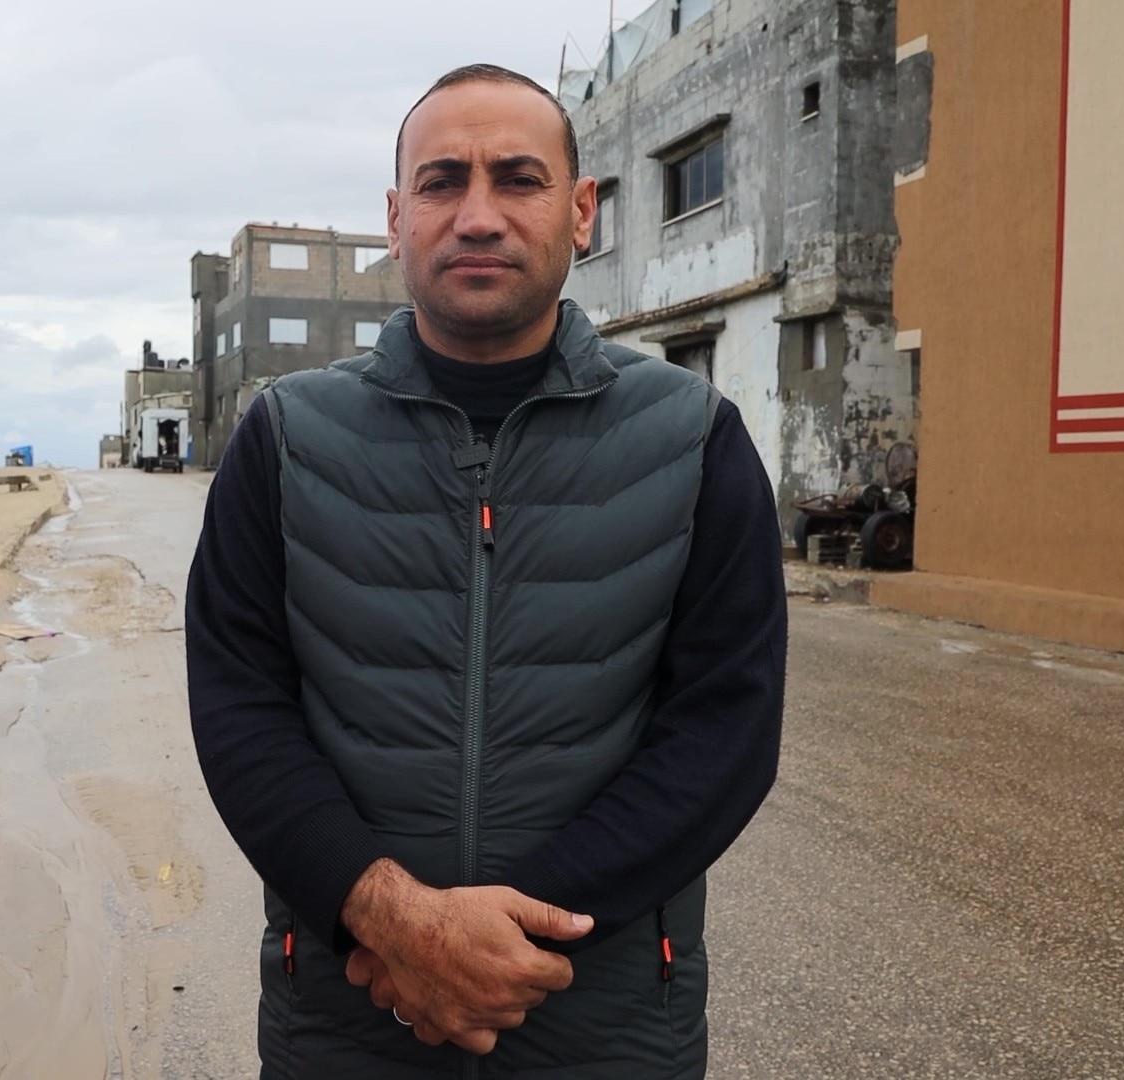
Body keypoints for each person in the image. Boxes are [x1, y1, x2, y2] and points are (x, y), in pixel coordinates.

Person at [185, 64, 786, 1078]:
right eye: (441, 182)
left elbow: (725, 733)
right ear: (396, 219)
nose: (477, 215)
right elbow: (240, 711)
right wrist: (389, 917)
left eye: (518, 178)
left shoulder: (695, 439)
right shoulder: (283, 440)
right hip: (345, 1024)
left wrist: (499, 942)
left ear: (581, 211)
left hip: (607, 1031)